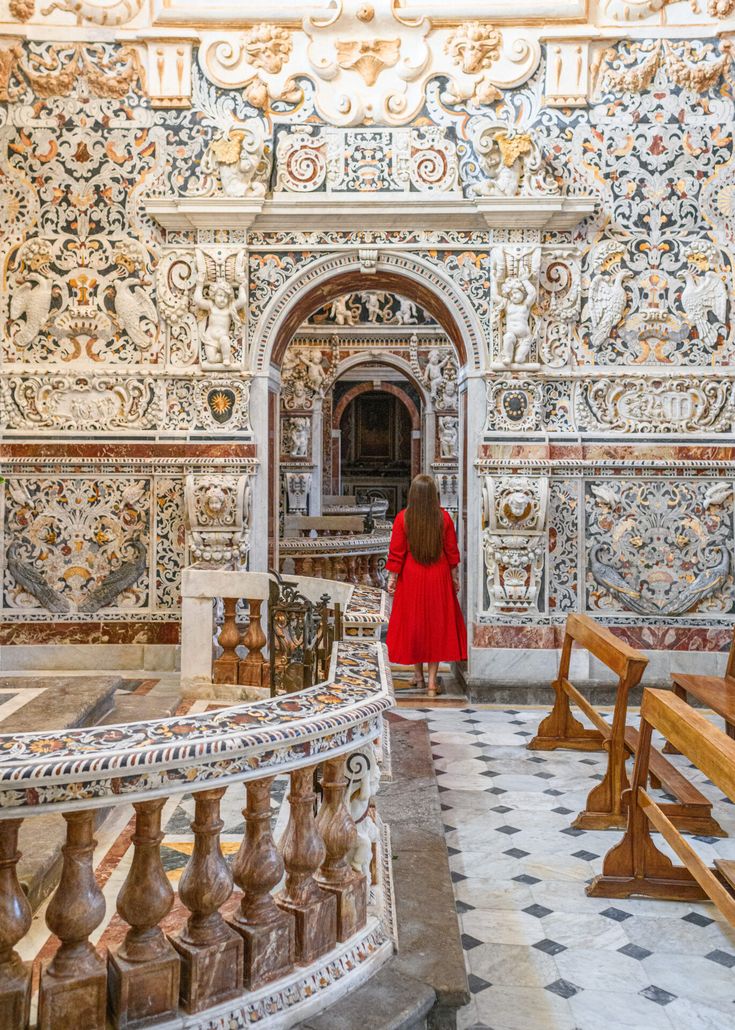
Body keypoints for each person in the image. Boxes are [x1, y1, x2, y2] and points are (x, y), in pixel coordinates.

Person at [385, 474, 467, 696]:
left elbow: (397, 552)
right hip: (437, 574)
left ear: (412, 495)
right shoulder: (444, 518)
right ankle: (431, 682)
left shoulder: (403, 518)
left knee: (415, 624)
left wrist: (392, 578)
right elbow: (451, 551)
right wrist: (454, 576)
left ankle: (418, 676)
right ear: (434, 495)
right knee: (435, 626)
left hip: (411, 574)